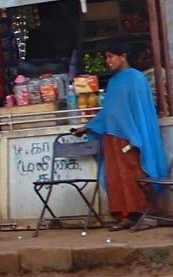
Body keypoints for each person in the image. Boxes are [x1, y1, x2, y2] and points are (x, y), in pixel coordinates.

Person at [72, 43, 167, 230]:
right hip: (111, 137)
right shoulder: (114, 82)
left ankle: (145, 214)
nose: (108, 61)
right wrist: (87, 127)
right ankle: (124, 216)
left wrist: (136, 137)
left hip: (130, 138)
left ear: (123, 56)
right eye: (106, 57)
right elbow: (109, 112)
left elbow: (141, 110)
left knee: (135, 176)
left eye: (111, 56)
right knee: (116, 178)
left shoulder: (136, 79)